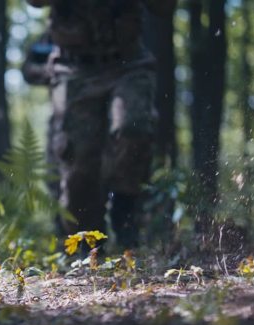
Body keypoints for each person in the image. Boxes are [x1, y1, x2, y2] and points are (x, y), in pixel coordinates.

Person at [23, 0, 176, 248]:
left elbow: (164, 9)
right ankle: (87, 243)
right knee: (78, 163)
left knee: (132, 126)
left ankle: (126, 206)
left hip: (128, 63)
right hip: (75, 70)